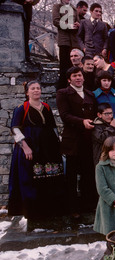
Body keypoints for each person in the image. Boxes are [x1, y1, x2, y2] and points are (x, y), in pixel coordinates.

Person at [8, 80, 66, 229]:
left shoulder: (45, 106)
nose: (36, 91)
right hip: (30, 149)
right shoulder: (22, 108)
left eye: (38, 88)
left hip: (48, 149)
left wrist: (58, 145)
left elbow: (52, 127)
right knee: (30, 179)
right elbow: (15, 129)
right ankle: (34, 214)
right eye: (33, 89)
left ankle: (50, 211)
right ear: (27, 92)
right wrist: (25, 147)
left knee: (50, 177)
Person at [56, 66, 97, 219]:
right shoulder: (63, 93)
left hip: (88, 140)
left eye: (80, 75)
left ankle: (88, 205)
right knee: (72, 176)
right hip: (72, 141)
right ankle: (72, 207)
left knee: (88, 173)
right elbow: (65, 115)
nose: (78, 78)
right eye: (74, 76)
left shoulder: (90, 94)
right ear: (69, 79)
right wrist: (82, 122)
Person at [52, 0, 81, 90]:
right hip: (64, 41)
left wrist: (78, 25)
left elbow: (78, 21)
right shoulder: (57, 6)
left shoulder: (73, 8)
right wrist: (69, 25)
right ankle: (63, 89)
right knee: (64, 67)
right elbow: (56, 21)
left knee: (74, 66)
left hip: (74, 41)